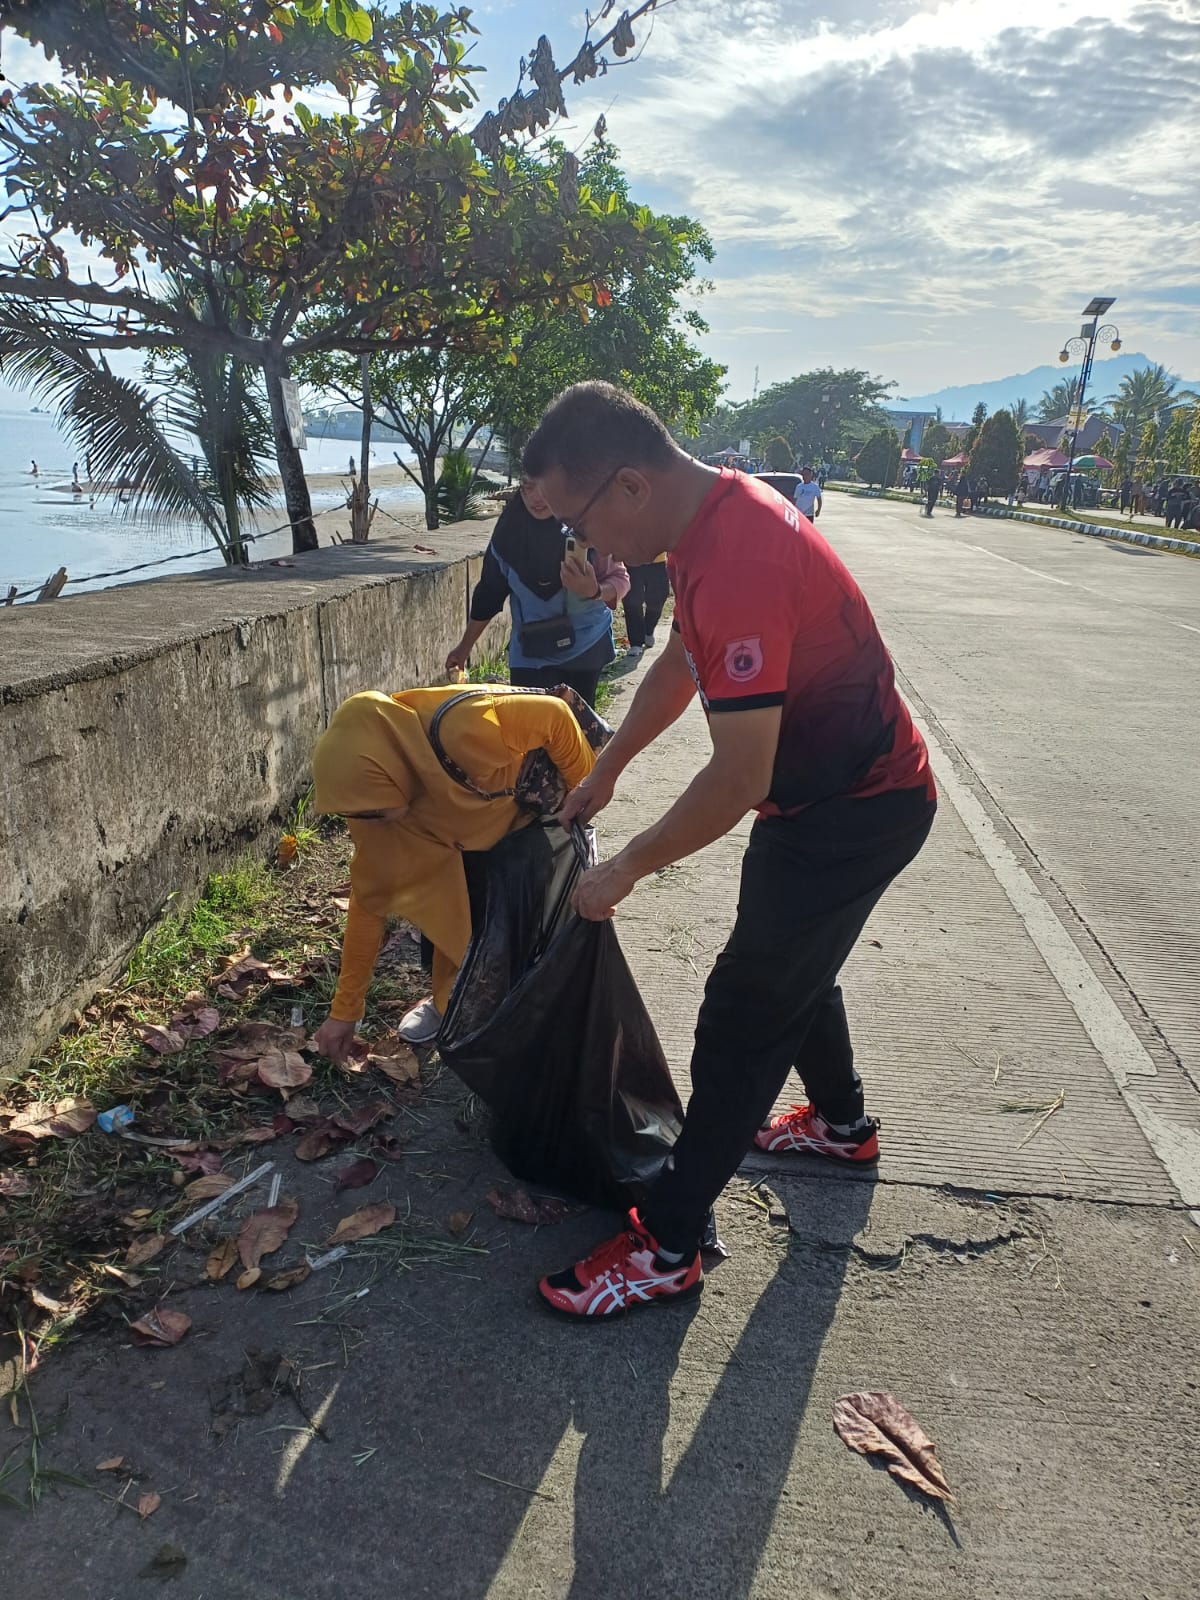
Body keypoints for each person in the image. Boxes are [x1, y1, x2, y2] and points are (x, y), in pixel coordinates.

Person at [520, 382, 936, 1320]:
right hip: (822, 798)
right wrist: (610, 767)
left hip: (853, 811)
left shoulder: (740, 556)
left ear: (630, 485)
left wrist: (625, 866)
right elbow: (681, 660)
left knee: (745, 1011)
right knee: (795, 964)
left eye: (582, 525)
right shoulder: (708, 521)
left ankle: (667, 1246)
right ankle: (842, 1125)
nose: (589, 553)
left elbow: (739, 774)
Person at [310, 684, 597, 1052]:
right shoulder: (372, 808)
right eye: (355, 812)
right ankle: (449, 1004)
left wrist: (581, 794)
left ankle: (530, 1013)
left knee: (528, 931)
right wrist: (345, 1011)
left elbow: (554, 716)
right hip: (458, 848)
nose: (366, 821)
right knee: (447, 915)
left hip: (519, 832)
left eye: (371, 809)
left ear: (386, 765)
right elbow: (369, 901)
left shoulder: (462, 729)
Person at [446, 480, 629, 708]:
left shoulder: (586, 526)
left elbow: (620, 579)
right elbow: (488, 596)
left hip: (586, 645)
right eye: (528, 487)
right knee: (531, 726)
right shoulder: (507, 536)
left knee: (577, 726)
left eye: (545, 487)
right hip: (531, 653)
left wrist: (595, 591)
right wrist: (464, 648)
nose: (536, 498)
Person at [622, 553, 670, 662]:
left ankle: (648, 629)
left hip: (657, 559)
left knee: (658, 599)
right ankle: (636, 642)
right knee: (632, 601)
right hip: (631, 560)